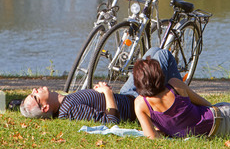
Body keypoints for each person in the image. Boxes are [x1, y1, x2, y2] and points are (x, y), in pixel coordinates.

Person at [133, 56, 230, 139]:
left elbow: (152, 136)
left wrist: (169, 128)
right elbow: (207, 104)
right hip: (220, 118)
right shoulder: (174, 84)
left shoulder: (140, 104)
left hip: (213, 134)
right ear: (159, 75)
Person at [20, 47, 181, 123]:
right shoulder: (69, 110)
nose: (34, 90)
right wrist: (107, 93)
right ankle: (182, 105)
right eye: (34, 95)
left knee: (152, 52)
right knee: (163, 55)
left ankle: (179, 97)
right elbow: (111, 122)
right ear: (45, 108)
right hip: (136, 102)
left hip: (126, 93)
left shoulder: (65, 102)